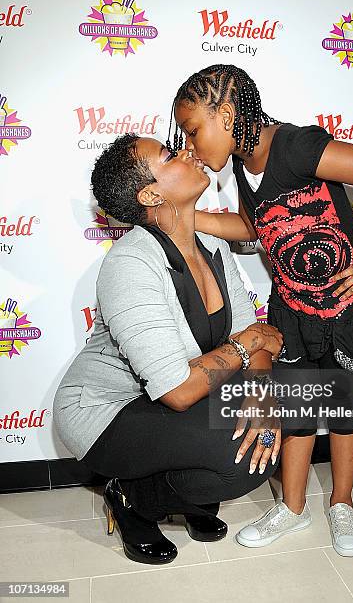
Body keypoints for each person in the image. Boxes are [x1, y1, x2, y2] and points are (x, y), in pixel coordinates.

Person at [168, 63, 353, 557]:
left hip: (345, 309)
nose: (189, 145)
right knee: (298, 413)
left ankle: (342, 505)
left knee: (342, 411)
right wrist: (194, 220)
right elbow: (258, 228)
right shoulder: (241, 165)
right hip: (292, 310)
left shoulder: (296, 146)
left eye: (193, 130)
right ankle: (293, 509)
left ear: (227, 113)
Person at [53, 133, 285, 565]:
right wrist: (249, 342)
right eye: (168, 154)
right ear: (151, 193)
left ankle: (177, 496)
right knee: (236, 456)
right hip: (106, 412)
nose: (187, 152)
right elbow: (181, 387)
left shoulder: (214, 247)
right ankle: (133, 497)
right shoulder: (129, 263)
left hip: (169, 399)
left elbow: (251, 336)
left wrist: (262, 394)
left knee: (275, 416)